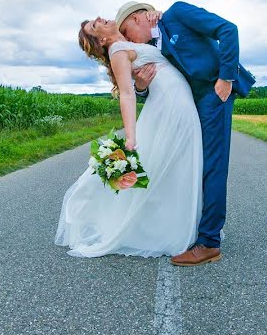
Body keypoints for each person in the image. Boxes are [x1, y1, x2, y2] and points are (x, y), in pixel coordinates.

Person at [54, 15, 204, 259]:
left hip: (176, 101)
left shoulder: (131, 43)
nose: (100, 18)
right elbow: (126, 94)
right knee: (171, 163)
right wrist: (130, 137)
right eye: (95, 25)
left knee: (176, 164)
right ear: (101, 39)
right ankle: (164, 229)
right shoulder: (117, 50)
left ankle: (176, 224)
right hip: (169, 106)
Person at [116, 1, 254, 266]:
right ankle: (190, 226)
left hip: (215, 94)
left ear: (136, 19)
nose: (128, 40)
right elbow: (162, 84)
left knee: (212, 165)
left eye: (127, 32)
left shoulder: (177, 13)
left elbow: (228, 29)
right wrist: (142, 87)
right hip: (189, 107)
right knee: (194, 164)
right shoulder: (153, 46)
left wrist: (226, 78)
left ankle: (210, 243)